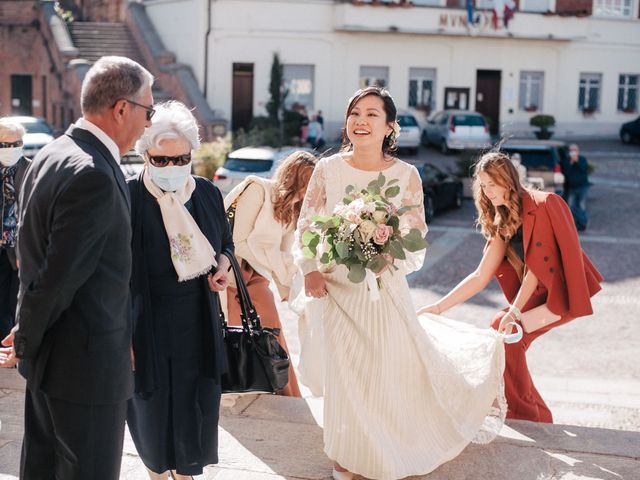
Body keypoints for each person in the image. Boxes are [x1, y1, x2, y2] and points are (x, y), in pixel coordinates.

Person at [296, 86, 507, 480]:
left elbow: (416, 234)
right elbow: (307, 223)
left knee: (381, 369)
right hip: (335, 286)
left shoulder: (405, 174)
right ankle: (347, 451)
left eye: (372, 115)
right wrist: (309, 267)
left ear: (389, 127)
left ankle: (386, 445)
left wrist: (382, 253)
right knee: (344, 372)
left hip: (383, 289)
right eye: (355, 113)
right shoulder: (328, 170)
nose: (361, 121)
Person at [0, 55, 154, 479]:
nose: (148, 123)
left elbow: (30, 259)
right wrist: (26, 337)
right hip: (86, 369)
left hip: (52, 360)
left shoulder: (52, 152)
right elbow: (58, 275)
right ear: (122, 108)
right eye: (148, 110)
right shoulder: (94, 174)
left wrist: (25, 332)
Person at [418, 151, 603, 423]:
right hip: (536, 297)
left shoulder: (543, 205)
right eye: (482, 185)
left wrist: (514, 311)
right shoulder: (503, 219)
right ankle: (537, 415)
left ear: (507, 180)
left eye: (492, 184)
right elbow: (481, 275)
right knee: (505, 340)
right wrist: (438, 306)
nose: (486, 191)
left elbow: (536, 271)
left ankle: (527, 416)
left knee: (505, 329)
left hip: (559, 294)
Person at [127, 101, 233, 480]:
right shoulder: (127, 198)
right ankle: (157, 470)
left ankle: (186, 471)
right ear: (145, 156)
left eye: (180, 159)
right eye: (160, 160)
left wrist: (222, 266)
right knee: (150, 404)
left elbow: (226, 245)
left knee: (194, 401)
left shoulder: (206, 193)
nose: (171, 168)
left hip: (196, 317)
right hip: (146, 318)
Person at [224, 150, 317, 398]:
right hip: (232, 273)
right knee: (236, 337)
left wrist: (291, 294)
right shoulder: (258, 189)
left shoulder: (292, 211)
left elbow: (284, 256)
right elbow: (237, 240)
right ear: (294, 177)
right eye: (307, 183)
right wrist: (275, 259)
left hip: (257, 276)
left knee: (271, 331)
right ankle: (245, 388)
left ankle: (282, 391)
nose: (309, 192)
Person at [0, 118, 30, 340]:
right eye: (5, 145)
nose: (11, 150)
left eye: (16, 144)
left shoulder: (32, 170)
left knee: (15, 303)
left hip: (20, 250)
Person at [561, 143, 590, 231]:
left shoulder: (582, 159)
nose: (573, 152)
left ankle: (581, 224)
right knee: (571, 206)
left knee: (581, 206)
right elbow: (566, 173)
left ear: (578, 151)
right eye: (571, 150)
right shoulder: (566, 161)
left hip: (582, 187)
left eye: (575, 150)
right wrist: (571, 163)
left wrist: (576, 162)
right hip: (572, 188)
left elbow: (584, 169)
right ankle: (584, 221)